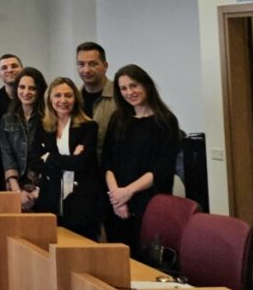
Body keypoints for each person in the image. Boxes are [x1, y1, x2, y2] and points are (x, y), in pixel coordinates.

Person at [103, 64, 182, 256]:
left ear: (146, 85)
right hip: (117, 205)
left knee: (145, 260)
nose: (129, 92)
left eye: (134, 85)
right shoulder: (118, 119)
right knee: (118, 261)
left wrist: (127, 192)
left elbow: (162, 168)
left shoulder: (166, 121)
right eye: (123, 88)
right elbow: (107, 161)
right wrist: (117, 198)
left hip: (149, 203)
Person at [29, 77, 102, 239]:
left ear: (76, 99)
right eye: (57, 95)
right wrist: (69, 160)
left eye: (68, 95)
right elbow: (34, 161)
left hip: (82, 202)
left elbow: (81, 163)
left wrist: (48, 157)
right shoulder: (43, 126)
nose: (63, 100)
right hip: (50, 199)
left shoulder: (88, 126)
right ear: (49, 99)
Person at [0, 67, 48, 211]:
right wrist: (17, 191)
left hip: (43, 188)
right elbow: (7, 155)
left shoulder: (48, 119)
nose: (26, 92)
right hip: (15, 188)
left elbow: (51, 157)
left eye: (32, 88)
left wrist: (37, 192)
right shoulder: (7, 119)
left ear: (40, 91)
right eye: (22, 87)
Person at [75, 42, 115, 154]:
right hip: (81, 163)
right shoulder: (73, 99)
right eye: (81, 64)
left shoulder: (120, 96)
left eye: (93, 64)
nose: (86, 70)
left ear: (105, 66)